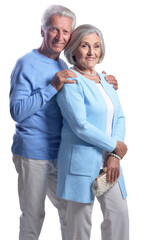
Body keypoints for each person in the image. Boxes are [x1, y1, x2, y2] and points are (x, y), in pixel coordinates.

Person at [9, 4, 118, 240]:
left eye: (66, 31)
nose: (60, 37)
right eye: (54, 30)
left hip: (62, 154)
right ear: (42, 31)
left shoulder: (63, 65)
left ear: (71, 36)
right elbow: (16, 111)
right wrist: (52, 87)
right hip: (33, 152)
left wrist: (104, 83)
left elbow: (80, 98)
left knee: (70, 212)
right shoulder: (25, 64)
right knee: (33, 216)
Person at [56, 24, 129, 240]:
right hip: (79, 163)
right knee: (79, 228)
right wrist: (114, 145)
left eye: (96, 46)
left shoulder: (106, 81)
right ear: (74, 50)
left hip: (109, 165)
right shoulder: (71, 81)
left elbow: (120, 118)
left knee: (119, 217)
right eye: (85, 46)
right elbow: (80, 125)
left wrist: (114, 155)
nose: (91, 52)